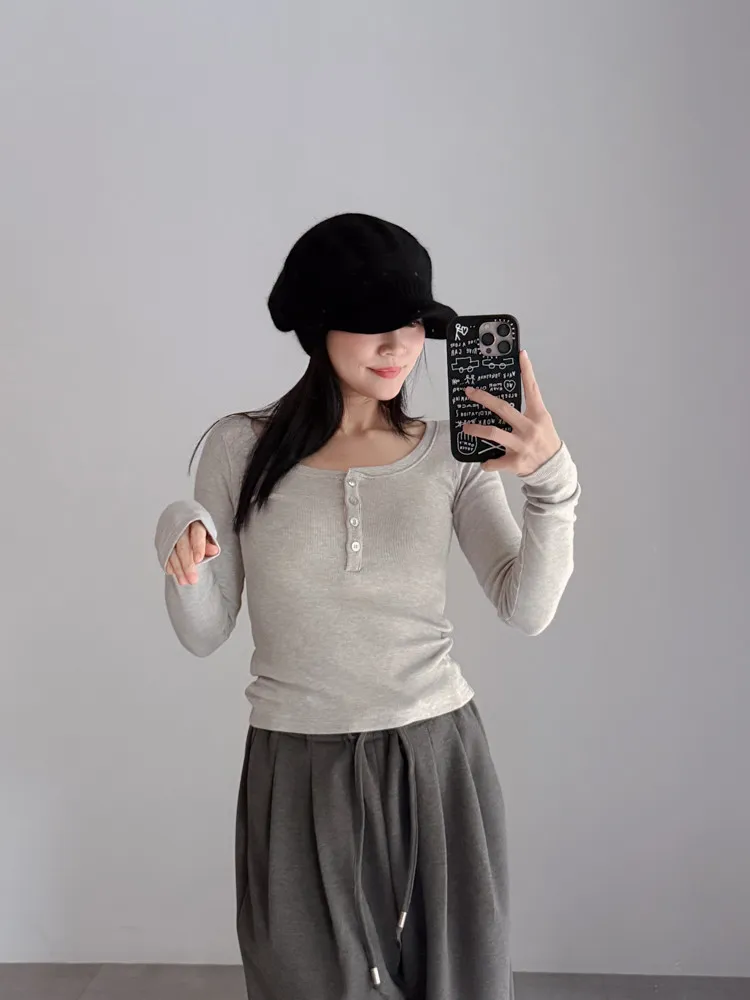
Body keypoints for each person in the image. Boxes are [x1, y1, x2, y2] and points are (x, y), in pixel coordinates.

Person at [154, 213, 580, 1000]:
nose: (399, 347)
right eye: (373, 325)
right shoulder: (239, 449)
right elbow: (205, 631)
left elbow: (526, 608)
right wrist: (176, 542)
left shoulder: (451, 453)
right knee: (305, 980)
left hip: (436, 754)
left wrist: (551, 482)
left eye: (413, 325)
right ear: (318, 326)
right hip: (295, 759)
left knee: (458, 979)